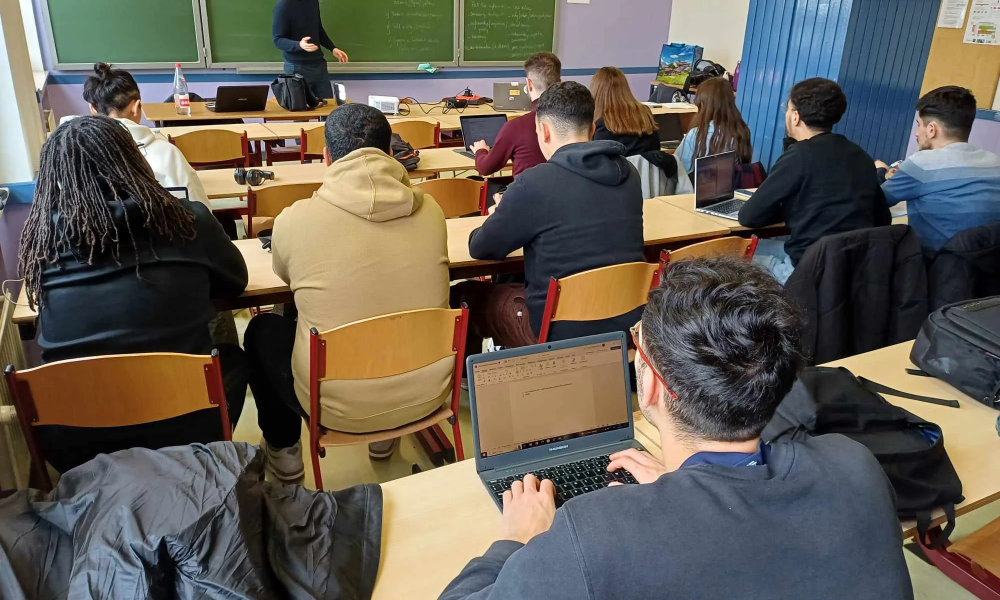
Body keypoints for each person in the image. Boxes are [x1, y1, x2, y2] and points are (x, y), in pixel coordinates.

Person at [439, 257, 914, 600]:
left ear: (650, 387)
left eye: (637, 345)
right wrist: (685, 486)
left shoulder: (595, 535)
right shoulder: (854, 466)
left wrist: (516, 538)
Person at [19, 115, 250, 473]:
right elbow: (235, 283)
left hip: (75, 443)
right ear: (133, 160)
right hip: (184, 428)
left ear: (56, 176)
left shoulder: (43, 240)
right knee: (232, 357)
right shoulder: (187, 219)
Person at [244, 103, 450, 479]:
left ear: (326, 157)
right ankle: (386, 440)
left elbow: (285, 276)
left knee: (262, 331)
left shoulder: (294, 219)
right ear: (391, 153)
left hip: (337, 409)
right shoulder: (433, 211)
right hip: (429, 392)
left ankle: (285, 453)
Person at [452, 81, 644, 348]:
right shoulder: (629, 173)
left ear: (543, 131)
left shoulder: (533, 184)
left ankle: (485, 373)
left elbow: (481, 248)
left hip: (558, 334)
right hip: (627, 324)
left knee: (464, 296)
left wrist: (500, 213)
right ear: (592, 129)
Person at [739, 78, 890, 283]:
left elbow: (748, 217)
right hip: (850, 273)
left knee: (728, 252)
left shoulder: (799, 156)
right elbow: (883, 219)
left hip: (804, 273)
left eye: (787, 108)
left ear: (795, 117)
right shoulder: (860, 155)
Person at [876, 86, 1000, 255]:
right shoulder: (995, 162)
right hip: (989, 264)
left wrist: (880, 172)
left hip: (936, 265)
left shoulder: (921, 164)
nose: (916, 133)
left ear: (931, 129)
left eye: (919, 125)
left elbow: (875, 201)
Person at [74, 62, 211, 209]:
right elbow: (199, 208)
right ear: (136, 106)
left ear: (92, 108)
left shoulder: (77, 155)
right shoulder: (166, 152)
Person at [470, 52, 561, 178]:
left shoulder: (516, 127)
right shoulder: (575, 122)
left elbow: (485, 168)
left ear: (529, 84)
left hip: (526, 190)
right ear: (561, 82)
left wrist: (481, 151)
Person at [272, 0, 349, 100]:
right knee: (299, 107)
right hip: (297, 68)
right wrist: (299, 45)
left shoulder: (313, 2)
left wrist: (332, 48)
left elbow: (318, 28)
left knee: (328, 106)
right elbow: (278, 40)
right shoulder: (284, 5)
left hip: (319, 66)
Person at [675, 76, 753, 174]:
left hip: (697, 183)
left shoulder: (696, 134)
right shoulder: (741, 131)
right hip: (731, 182)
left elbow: (679, 169)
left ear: (703, 104)